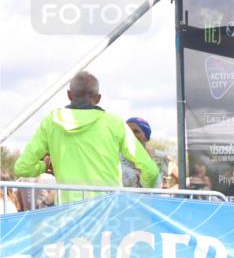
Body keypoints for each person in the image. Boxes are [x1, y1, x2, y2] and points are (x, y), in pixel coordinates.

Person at [14, 71, 159, 202]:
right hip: (108, 212)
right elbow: (151, 171)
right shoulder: (115, 123)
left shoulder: (50, 123)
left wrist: (44, 165)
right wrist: (144, 186)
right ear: (98, 98)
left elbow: (22, 168)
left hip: (68, 214)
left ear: (69, 95)